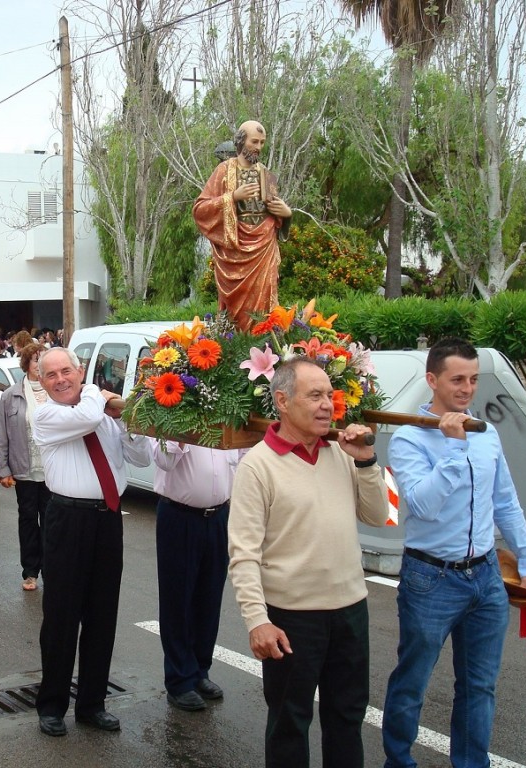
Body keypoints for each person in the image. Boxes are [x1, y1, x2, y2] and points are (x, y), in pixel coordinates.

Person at [382, 338, 526, 768]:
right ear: (432, 380)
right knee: (413, 681)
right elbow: (421, 504)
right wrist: (453, 448)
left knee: (479, 685)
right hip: (430, 577)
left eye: (472, 380)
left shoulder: (485, 435)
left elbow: (505, 501)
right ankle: (398, 761)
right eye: (457, 380)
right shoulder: (408, 439)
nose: (467, 389)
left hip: (486, 577)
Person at [228, 358, 389, 767]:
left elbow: (378, 514)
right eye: (314, 395)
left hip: (350, 610)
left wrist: (366, 460)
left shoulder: (341, 452)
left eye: (330, 396)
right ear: (281, 401)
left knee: (347, 718)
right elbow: (243, 553)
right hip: (293, 618)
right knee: (289, 722)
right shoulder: (257, 467)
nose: (327, 405)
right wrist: (257, 620)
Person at [31, 347, 151, 737]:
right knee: (62, 617)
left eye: (67, 370)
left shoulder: (99, 412)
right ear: (41, 382)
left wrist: (129, 422)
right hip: (68, 519)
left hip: (107, 520)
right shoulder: (48, 414)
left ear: (80, 370)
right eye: (51, 375)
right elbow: (85, 416)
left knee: (102, 615)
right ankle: (52, 705)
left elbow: (141, 456)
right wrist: (99, 395)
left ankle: (92, 704)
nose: (61, 379)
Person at [152, 441, 241, 711]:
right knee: (178, 600)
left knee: (209, 598)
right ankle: (179, 681)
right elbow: (162, 459)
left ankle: (200, 670)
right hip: (179, 516)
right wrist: (180, 434)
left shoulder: (228, 416)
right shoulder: (170, 406)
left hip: (219, 516)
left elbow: (246, 459)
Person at [193, 120, 292, 330]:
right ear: (241, 141)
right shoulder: (223, 170)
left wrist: (287, 215)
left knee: (264, 307)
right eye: (254, 141)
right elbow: (200, 209)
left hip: (263, 249)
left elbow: (276, 216)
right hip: (234, 253)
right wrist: (232, 197)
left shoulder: (266, 174)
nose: (258, 147)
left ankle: (265, 346)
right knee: (234, 316)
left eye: (262, 142)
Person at [0, 343, 50, 591]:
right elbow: (2, 435)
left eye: (44, 360)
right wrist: (3, 469)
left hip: (53, 471)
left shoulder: (57, 392)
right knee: (28, 519)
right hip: (24, 469)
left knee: (51, 521)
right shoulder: (11, 395)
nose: (41, 365)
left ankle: (52, 569)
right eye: (36, 360)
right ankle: (30, 571)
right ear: (26, 363)